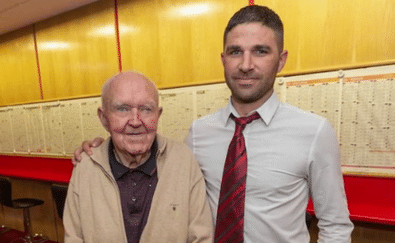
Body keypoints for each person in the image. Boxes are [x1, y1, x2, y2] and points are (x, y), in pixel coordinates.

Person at [73, 5, 353, 243]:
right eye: (235, 52)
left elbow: (335, 225)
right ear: (223, 60)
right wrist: (101, 149)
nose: (245, 64)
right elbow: (158, 169)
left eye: (260, 51)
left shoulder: (314, 132)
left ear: (281, 61)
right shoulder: (199, 133)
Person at [64, 71, 213, 243]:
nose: (135, 121)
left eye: (146, 109)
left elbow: (202, 237)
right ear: (104, 118)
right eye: (122, 109)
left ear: (158, 115)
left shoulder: (184, 160)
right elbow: (73, 238)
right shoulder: (86, 168)